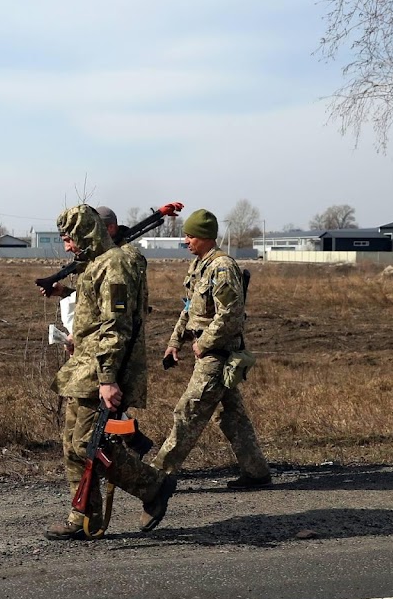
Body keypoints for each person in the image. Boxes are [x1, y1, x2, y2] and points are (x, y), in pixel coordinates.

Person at [46, 204, 176, 540]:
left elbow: (116, 326)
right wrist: (77, 336)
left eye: (70, 238)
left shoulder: (114, 264)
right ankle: (83, 517)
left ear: (87, 233)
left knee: (89, 444)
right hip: (83, 367)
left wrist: (107, 379)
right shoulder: (95, 265)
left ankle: (153, 486)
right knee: (73, 446)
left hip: (99, 372)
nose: (67, 246)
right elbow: (95, 318)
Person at [148, 208, 272, 488]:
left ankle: (157, 476)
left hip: (218, 355)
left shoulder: (223, 267)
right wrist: (174, 342)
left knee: (188, 411)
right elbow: (190, 309)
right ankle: (257, 472)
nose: (186, 240)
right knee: (232, 415)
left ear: (205, 237)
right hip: (208, 351)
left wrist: (203, 344)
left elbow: (231, 314)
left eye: (190, 236)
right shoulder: (200, 266)